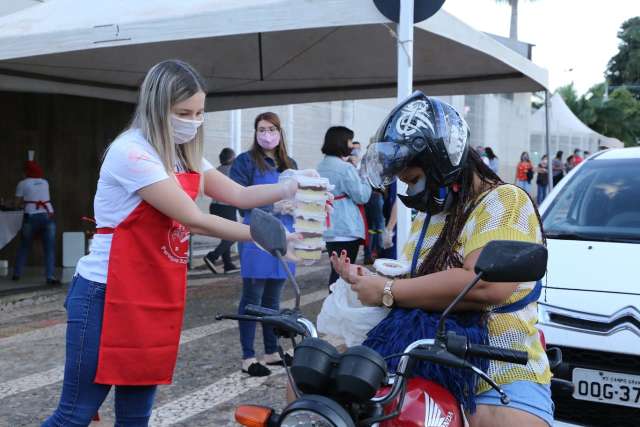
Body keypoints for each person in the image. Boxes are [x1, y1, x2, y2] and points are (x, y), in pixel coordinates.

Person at [42, 60, 301, 426]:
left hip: (154, 293)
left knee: (136, 418)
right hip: (106, 294)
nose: (193, 121)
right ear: (156, 107)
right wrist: (266, 237)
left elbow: (240, 196)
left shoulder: (186, 153)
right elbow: (193, 218)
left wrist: (291, 186)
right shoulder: (132, 151)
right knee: (75, 415)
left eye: (199, 112)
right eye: (183, 112)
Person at [335, 92, 553, 426]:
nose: (409, 192)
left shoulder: (504, 201)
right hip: (423, 363)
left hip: (497, 373)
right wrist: (367, 281)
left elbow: (483, 285)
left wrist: (387, 290)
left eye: (413, 180)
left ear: (442, 164)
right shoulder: (432, 216)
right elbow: (420, 286)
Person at [230, 111, 299, 377]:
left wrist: (298, 207)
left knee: (273, 296)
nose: (266, 134)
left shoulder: (289, 162)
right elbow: (238, 198)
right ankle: (248, 356)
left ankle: (271, 351)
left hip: (285, 234)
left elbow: (301, 190)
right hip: (256, 234)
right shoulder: (245, 162)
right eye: (261, 129)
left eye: (271, 129)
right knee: (252, 296)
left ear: (280, 132)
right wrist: (273, 204)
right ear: (255, 132)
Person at [317, 126, 371, 286]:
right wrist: (365, 177)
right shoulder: (345, 168)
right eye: (349, 141)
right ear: (341, 142)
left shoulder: (321, 166)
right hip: (346, 227)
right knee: (343, 275)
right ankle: (337, 307)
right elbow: (363, 196)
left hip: (329, 225)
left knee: (336, 270)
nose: (351, 145)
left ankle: (334, 305)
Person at [12, 160, 59, 285]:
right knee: (49, 248)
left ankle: (17, 274)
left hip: (31, 217)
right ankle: (50, 276)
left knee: (24, 246)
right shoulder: (45, 182)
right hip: (47, 216)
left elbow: (16, 203)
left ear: (26, 172)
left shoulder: (22, 183)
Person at [203, 147, 240, 274]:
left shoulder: (216, 170)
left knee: (226, 235)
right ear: (231, 158)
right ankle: (212, 256)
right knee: (234, 234)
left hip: (215, 206)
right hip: (227, 207)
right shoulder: (233, 171)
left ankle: (228, 263)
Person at [363, 187, 384, 265]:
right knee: (379, 227)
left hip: (366, 196)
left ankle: (368, 255)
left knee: (370, 229)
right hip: (376, 195)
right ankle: (380, 255)